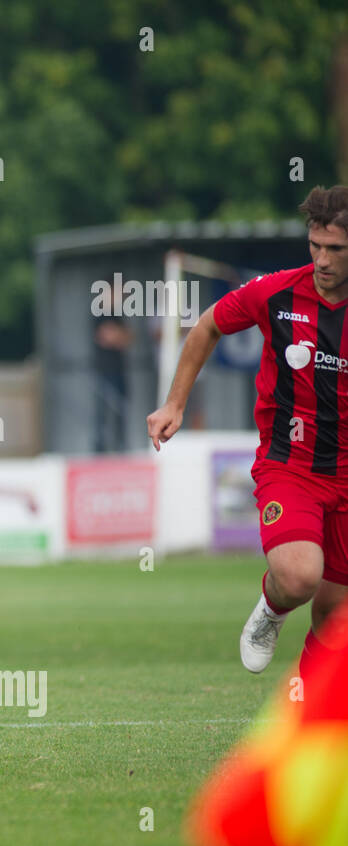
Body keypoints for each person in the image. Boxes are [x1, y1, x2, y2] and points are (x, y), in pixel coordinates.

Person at [148, 185, 348, 682]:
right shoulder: (277, 293)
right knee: (299, 576)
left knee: (335, 618)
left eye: (335, 249)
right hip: (291, 466)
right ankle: (272, 608)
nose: (322, 259)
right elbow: (207, 327)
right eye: (315, 246)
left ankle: (307, 703)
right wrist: (175, 402)